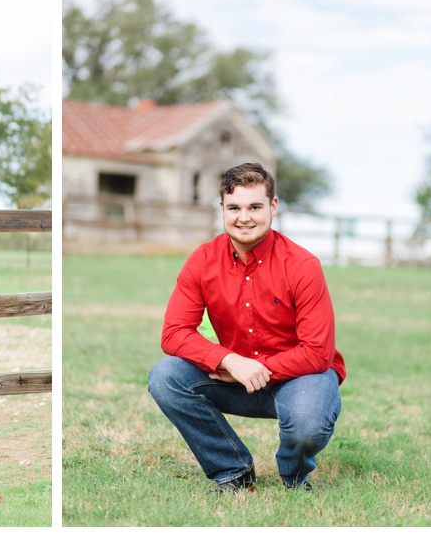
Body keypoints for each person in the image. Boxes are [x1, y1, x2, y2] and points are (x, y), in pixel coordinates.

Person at [148, 162, 346, 492]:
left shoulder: (302, 266)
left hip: (302, 377)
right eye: (234, 207)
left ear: (273, 207)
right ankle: (233, 471)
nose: (244, 217)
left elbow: (317, 353)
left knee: (308, 422)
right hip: (233, 378)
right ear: (222, 209)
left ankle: (295, 476)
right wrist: (229, 361)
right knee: (166, 376)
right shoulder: (203, 260)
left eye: (255, 207)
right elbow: (173, 333)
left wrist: (255, 368)